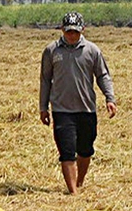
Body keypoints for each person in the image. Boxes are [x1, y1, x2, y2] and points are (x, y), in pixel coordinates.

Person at [39, 12, 117, 195]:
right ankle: (73, 191)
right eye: (68, 32)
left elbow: (103, 75)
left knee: (85, 149)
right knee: (66, 151)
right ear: (61, 30)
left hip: (86, 108)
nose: (72, 35)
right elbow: (45, 79)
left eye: (75, 32)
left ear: (83, 29)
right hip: (61, 109)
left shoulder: (92, 50)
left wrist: (110, 98)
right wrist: (43, 108)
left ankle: (79, 181)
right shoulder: (52, 51)